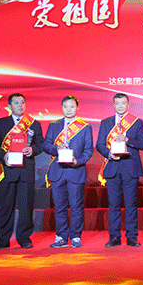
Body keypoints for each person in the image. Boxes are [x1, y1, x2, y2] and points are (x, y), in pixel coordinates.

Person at [0, 93, 44, 249]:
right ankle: (2, 240)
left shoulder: (34, 124)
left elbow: (41, 144)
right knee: (6, 207)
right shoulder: (0, 124)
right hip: (7, 170)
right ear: (9, 106)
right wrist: (3, 155)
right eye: (16, 103)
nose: (20, 105)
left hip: (26, 170)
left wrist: (33, 150)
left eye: (22, 102)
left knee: (26, 207)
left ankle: (24, 239)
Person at [43, 96, 93, 248]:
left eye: (72, 106)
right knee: (59, 206)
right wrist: (56, 148)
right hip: (57, 171)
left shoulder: (85, 127)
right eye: (65, 106)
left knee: (76, 206)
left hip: (75, 171)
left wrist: (78, 161)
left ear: (77, 108)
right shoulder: (54, 125)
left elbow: (88, 151)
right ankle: (61, 237)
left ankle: (76, 236)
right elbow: (46, 145)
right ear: (62, 107)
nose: (69, 109)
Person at [96, 93, 143, 247]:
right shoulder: (106, 123)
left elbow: (142, 144)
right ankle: (114, 237)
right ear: (113, 105)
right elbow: (99, 144)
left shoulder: (136, 122)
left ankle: (132, 237)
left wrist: (127, 140)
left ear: (128, 104)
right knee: (114, 205)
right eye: (117, 103)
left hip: (130, 168)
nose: (120, 106)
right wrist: (108, 154)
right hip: (112, 167)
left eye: (123, 103)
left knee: (131, 205)